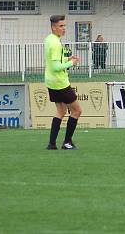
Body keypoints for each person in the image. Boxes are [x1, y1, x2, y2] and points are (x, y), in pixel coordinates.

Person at [44, 15, 82, 150]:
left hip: (50, 82)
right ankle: (67, 142)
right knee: (77, 110)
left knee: (60, 111)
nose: (64, 29)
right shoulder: (55, 43)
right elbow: (56, 67)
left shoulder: (49, 39)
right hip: (60, 83)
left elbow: (54, 60)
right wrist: (71, 63)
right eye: (61, 26)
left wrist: (66, 58)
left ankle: (52, 144)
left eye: (64, 26)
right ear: (54, 27)